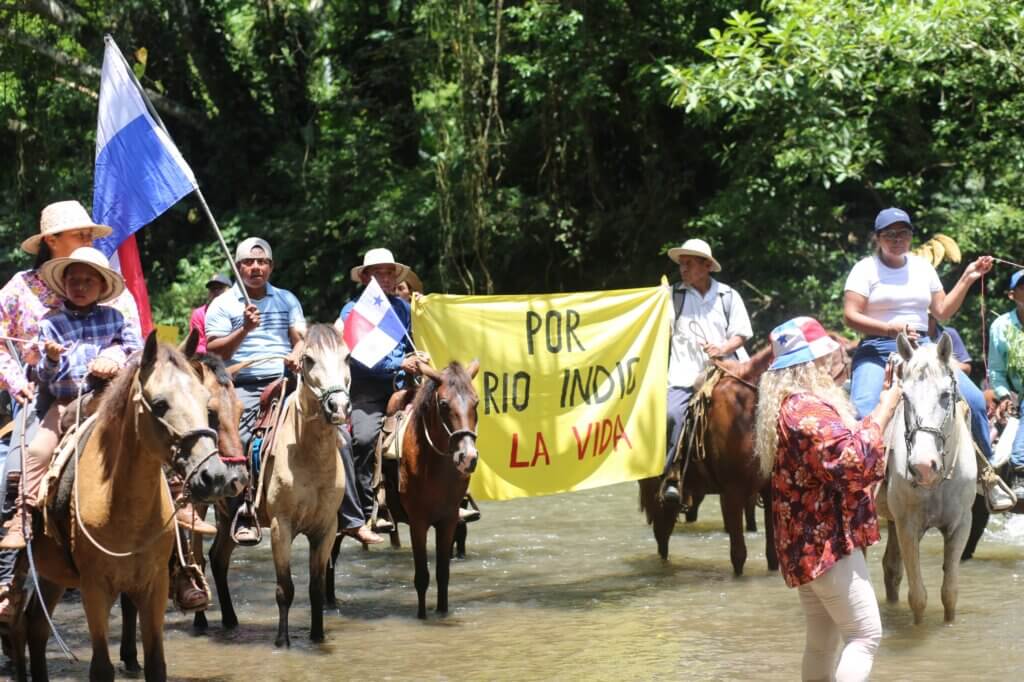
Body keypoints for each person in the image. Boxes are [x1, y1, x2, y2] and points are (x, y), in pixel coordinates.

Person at [0, 200, 143, 622]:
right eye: (80, 235)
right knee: (15, 468)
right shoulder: (18, 289)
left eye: (88, 236)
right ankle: (10, 582)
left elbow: (134, 339)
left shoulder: (111, 290)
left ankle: (181, 560)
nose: (88, 239)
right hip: (41, 394)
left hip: (107, 393)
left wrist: (118, 359)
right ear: (51, 241)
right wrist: (18, 382)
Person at [755, 316, 900, 681]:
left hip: (805, 545)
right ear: (810, 365)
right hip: (825, 544)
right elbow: (852, 460)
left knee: (821, 642)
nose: (835, 364)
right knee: (865, 635)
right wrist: (887, 404)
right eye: (827, 359)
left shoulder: (790, 406)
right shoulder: (806, 410)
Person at [843, 207, 1015, 511]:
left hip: (922, 348)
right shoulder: (864, 269)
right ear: (878, 238)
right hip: (876, 349)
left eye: (903, 233)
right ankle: (858, 486)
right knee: (864, 410)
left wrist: (969, 276)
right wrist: (889, 328)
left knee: (974, 400)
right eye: (890, 234)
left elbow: (942, 312)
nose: (897, 240)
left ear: (911, 236)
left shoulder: (922, 268)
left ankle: (987, 476)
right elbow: (851, 316)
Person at [205, 238, 305, 543]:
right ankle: (241, 510)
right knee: (240, 440)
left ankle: (346, 512)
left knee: (333, 432)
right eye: (249, 262)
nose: (256, 267)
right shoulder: (222, 304)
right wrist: (244, 330)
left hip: (286, 380)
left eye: (262, 262)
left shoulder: (287, 299)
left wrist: (298, 352)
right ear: (238, 268)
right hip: (242, 385)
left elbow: (300, 337)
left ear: (271, 267)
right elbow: (214, 351)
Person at [338, 248, 424, 544]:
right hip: (368, 391)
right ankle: (362, 514)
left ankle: (454, 498)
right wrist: (399, 363)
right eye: (378, 273)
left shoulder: (403, 309)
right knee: (361, 440)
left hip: (404, 386)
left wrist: (416, 359)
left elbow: (413, 342)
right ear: (365, 278)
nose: (385, 278)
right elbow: (359, 355)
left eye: (389, 272)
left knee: (446, 420)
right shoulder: (352, 312)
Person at [661, 238, 752, 504]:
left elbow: (741, 333)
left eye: (689, 263)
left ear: (707, 266)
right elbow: (658, 328)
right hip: (684, 373)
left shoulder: (727, 296)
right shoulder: (672, 296)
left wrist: (722, 347)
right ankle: (673, 474)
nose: (683, 269)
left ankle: (766, 470)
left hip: (728, 369)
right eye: (682, 264)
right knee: (672, 413)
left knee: (762, 407)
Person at [989, 269, 1024, 498]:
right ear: (1012, 295)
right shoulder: (1001, 327)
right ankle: (1020, 467)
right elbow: (996, 371)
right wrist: (1004, 395)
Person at [188, 273, 232, 354]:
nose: (216, 292)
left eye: (220, 288)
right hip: (209, 358)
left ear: (230, 290)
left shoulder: (238, 310)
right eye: (212, 289)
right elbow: (198, 344)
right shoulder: (199, 314)